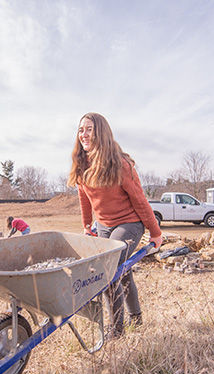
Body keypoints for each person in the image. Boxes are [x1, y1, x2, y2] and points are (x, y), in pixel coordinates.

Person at [66, 112, 163, 337]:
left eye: (89, 129)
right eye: (81, 130)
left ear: (101, 132)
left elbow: (140, 200)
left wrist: (155, 232)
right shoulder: (82, 163)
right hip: (103, 225)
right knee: (122, 271)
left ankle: (116, 330)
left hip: (129, 224)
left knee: (109, 269)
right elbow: (85, 198)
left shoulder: (120, 164)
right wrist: (86, 225)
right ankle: (136, 317)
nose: (84, 134)